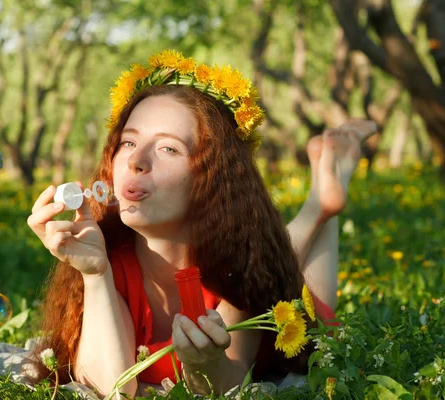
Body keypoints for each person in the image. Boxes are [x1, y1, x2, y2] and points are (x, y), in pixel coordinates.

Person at [25, 49, 377, 397]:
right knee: (281, 255)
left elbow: (229, 382)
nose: (135, 160)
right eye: (128, 141)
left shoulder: (236, 269)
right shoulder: (113, 263)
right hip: (261, 262)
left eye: (169, 149)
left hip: (284, 310)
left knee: (316, 309)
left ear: (212, 178)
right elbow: (112, 388)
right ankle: (323, 199)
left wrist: (203, 364)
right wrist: (94, 273)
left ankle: (323, 205)